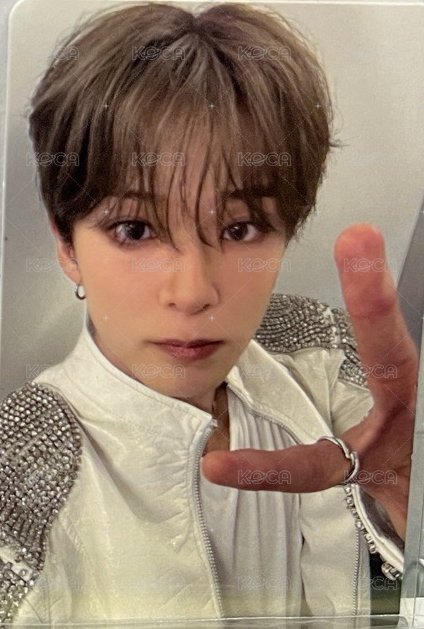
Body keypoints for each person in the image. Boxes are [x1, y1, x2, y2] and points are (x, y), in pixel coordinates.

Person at [0, 1, 418, 625]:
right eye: (136, 229)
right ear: (67, 245)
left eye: (239, 227)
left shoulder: (326, 360)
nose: (193, 291)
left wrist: (411, 521)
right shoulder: (24, 466)